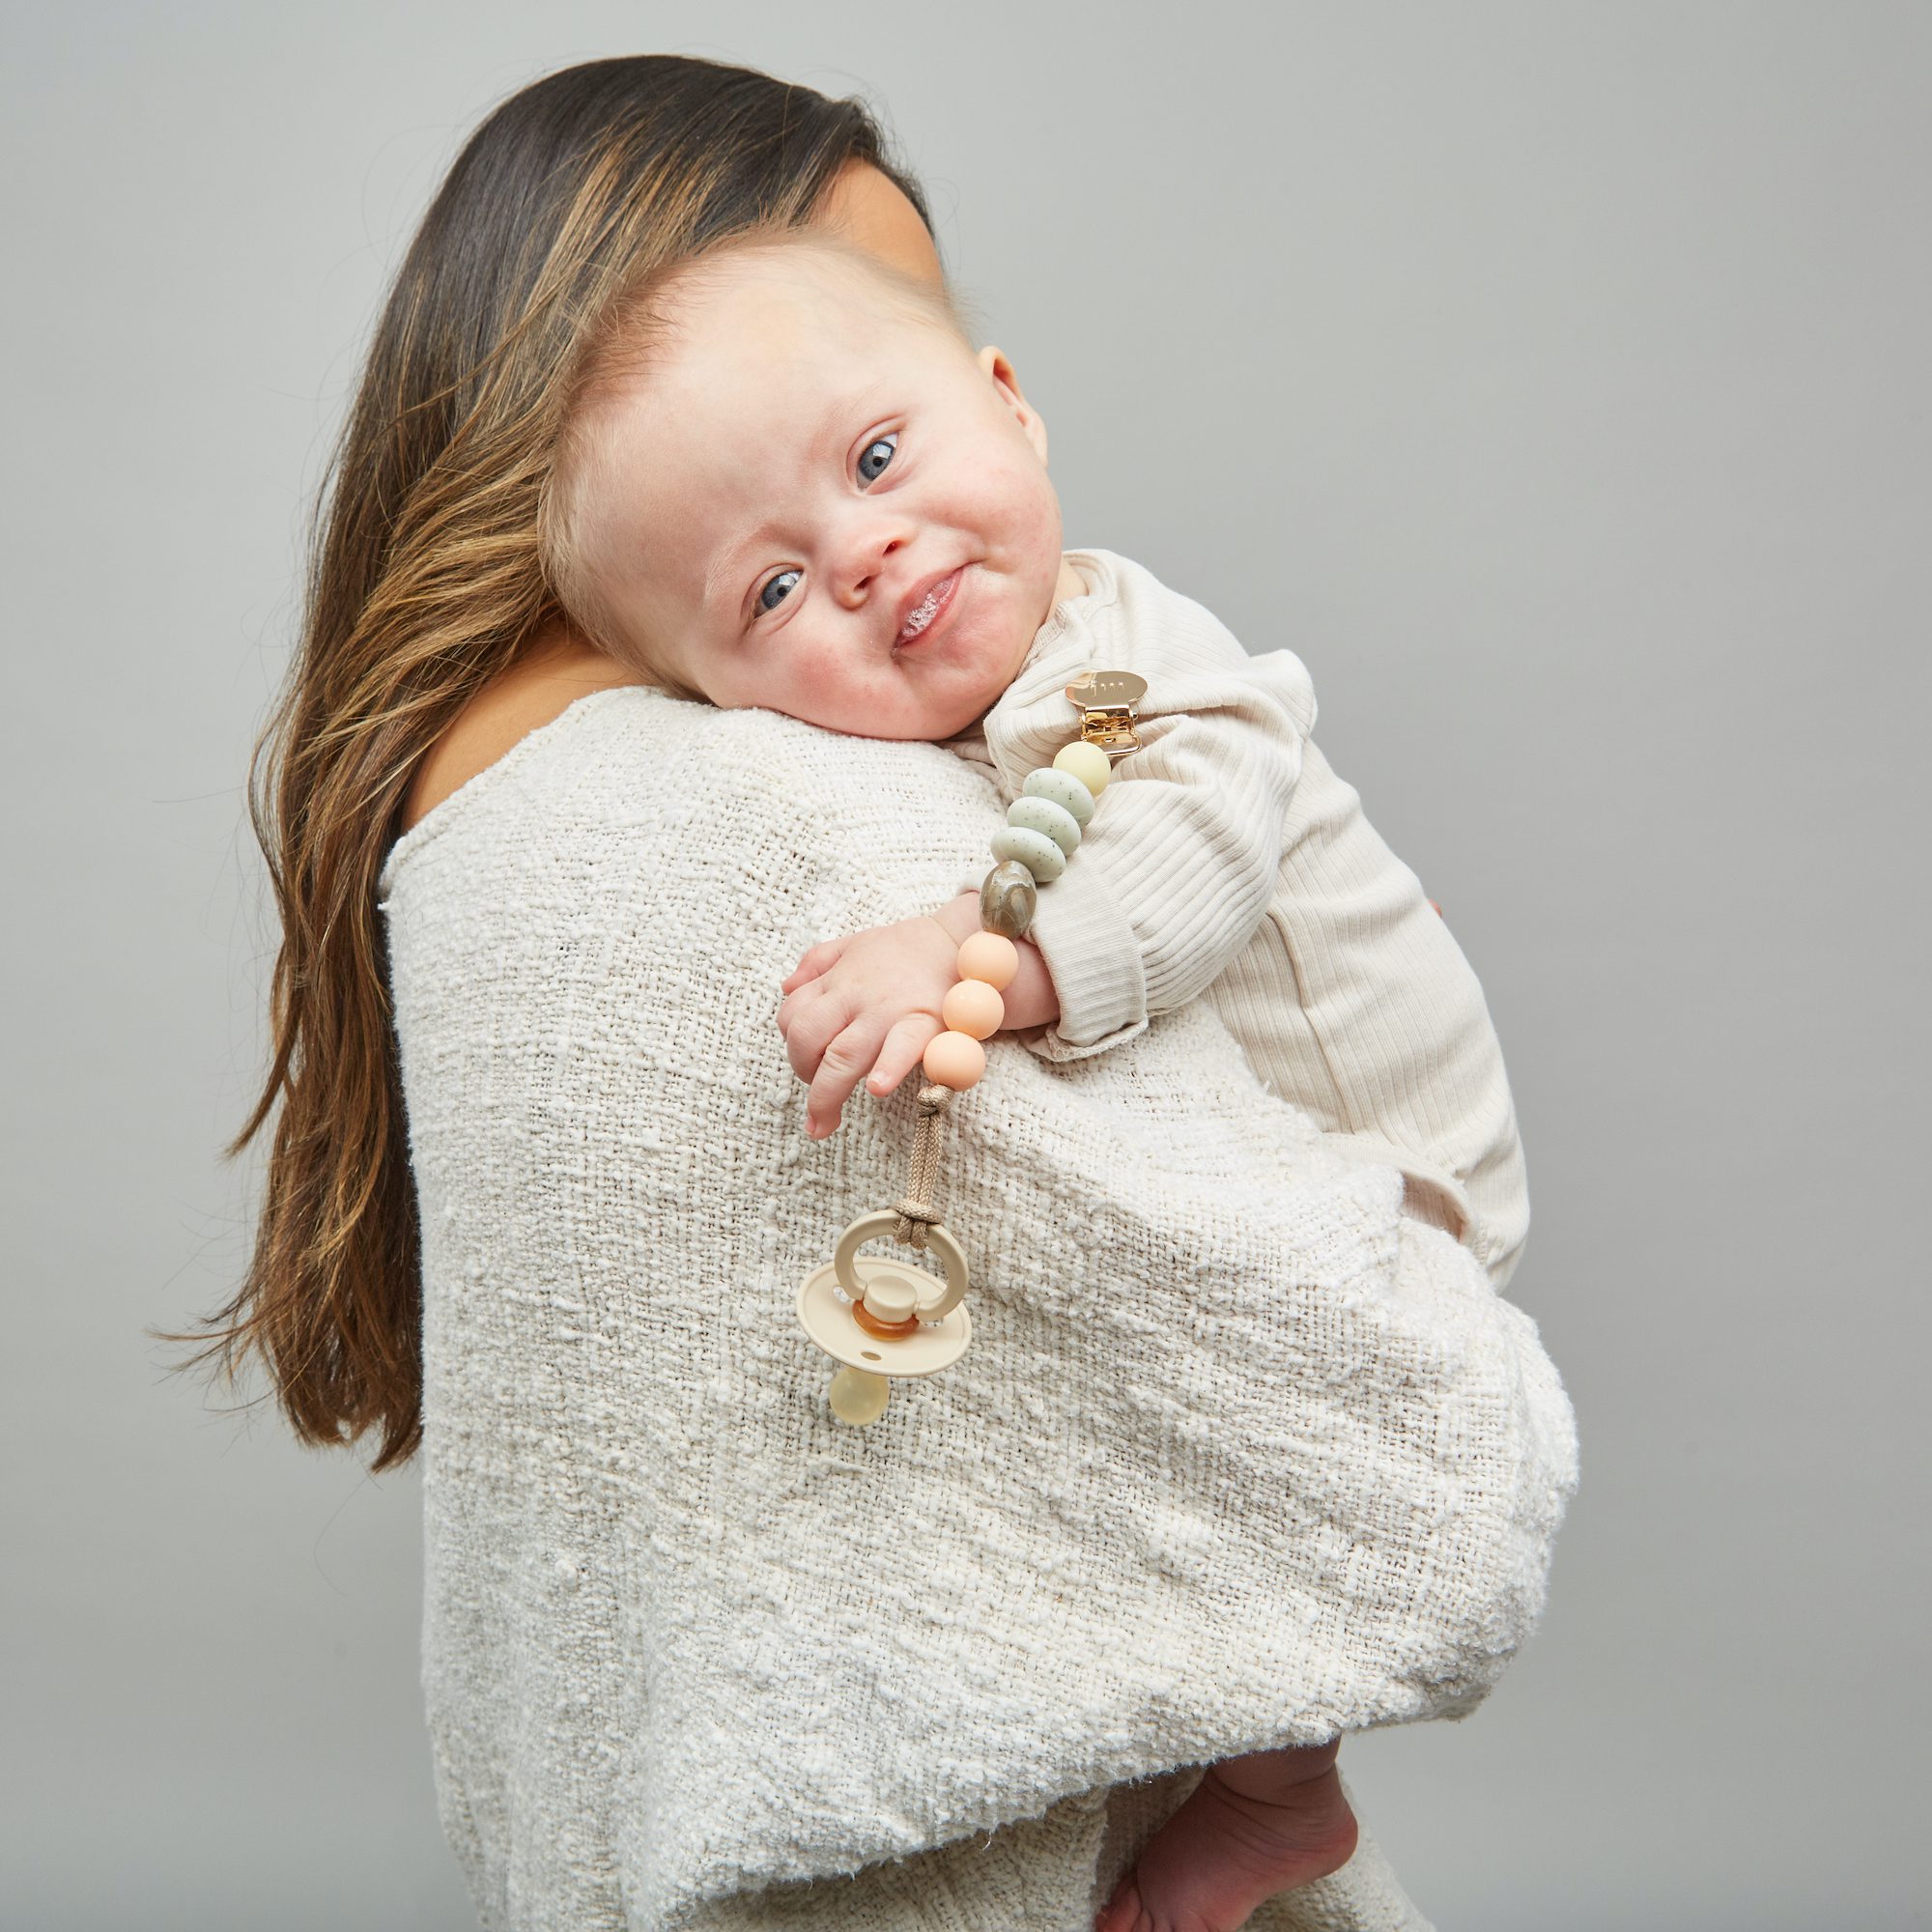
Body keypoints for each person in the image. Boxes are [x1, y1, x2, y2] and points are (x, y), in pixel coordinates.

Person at [177, 53, 1572, 1932]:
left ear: (991, 396)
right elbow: (1324, 1403)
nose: (876, 548)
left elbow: (1179, 851)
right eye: (766, 570)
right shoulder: (718, 799)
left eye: (884, 428)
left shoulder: (1072, 672)